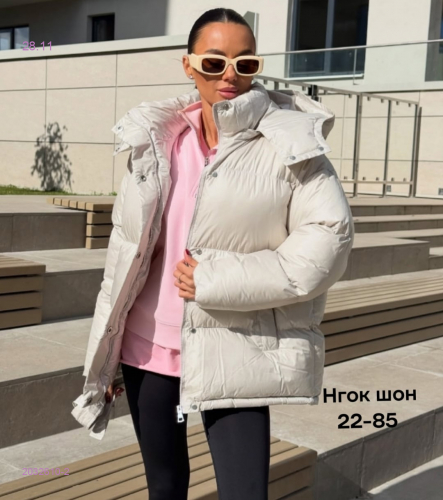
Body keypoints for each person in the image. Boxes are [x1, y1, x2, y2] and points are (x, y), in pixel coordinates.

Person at [71, 7, 354, 500]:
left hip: (237, 344)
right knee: (164, 487)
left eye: (245, 63)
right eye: (214, 61)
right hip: (146, 346)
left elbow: (329, 241)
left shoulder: (291, 145)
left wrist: (216, 279)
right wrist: (109, 352)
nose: (230, 75)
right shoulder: (157, 140)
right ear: (188, 65)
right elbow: (128, 251)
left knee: (245, 492)